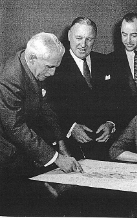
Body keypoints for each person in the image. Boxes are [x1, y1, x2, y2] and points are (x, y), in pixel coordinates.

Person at [0, 32, 83, 215]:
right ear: (32, 58)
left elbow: (44, 108)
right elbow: (16, 128)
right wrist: (56, 158)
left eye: (56, 67)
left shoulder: (32, 65)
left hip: (24, 151)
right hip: (6, 159)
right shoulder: (9, 79)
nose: (52, 73)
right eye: (49, 67)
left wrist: (60, 142)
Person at [46, 17, 116, 161]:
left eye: (89, 39)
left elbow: (117, 99)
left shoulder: (105, 62)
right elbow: (48, 106)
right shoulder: (55, 66)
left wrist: (111, 123)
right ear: (69, 35)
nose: (83, 44)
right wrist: (70, 128)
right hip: (71, 148)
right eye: (79, 38)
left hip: (105, 146)